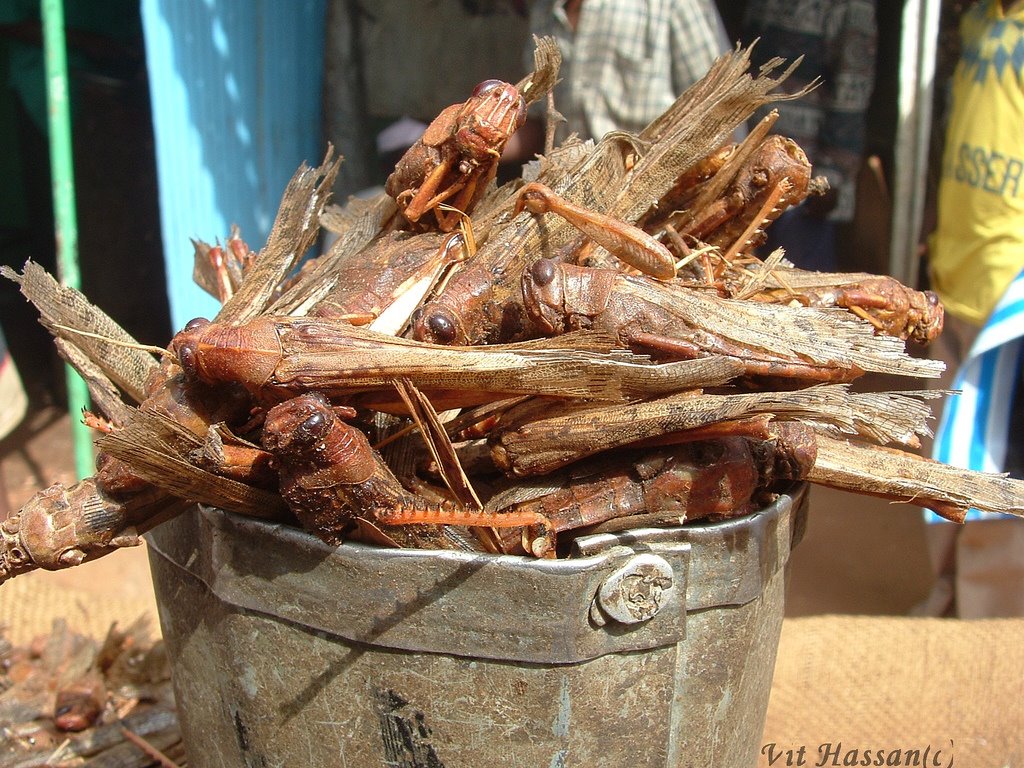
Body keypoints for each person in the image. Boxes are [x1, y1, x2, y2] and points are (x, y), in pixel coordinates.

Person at [917, 0, 1024, 618]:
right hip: (959, 274)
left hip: (1011, 293)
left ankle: (990, 631)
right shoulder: (982, 18)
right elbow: (958, 131)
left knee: (995, 467)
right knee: (950, 451)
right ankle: (950, 591)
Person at [742, 0, 878, 272]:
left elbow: (852, 90)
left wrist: (830, 177)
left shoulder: (849, 7)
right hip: (753, 176)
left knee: (798, 290)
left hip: (806, 192)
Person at [506, 0, 732, 156]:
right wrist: (479, 139)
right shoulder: (545, 11)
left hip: (650, 195)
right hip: (568, 196)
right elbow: (537, 120)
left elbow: (716, 111)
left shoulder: (665, 4)